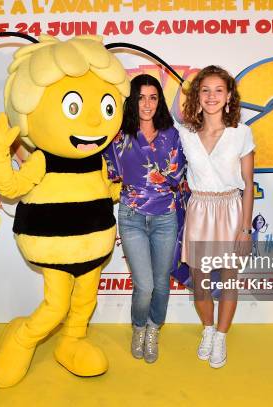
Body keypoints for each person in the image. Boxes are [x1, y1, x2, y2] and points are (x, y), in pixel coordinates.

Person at [104, 74, 186, 363]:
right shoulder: (118, 136)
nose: (147, 104)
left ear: (159, 101)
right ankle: (138, 328)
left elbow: (177, 174)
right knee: (145, 285)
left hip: (165, 216)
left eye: (153, 97)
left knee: (162, 283)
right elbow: (110, 173)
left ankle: (153, 330)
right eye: (141, 97)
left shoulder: (171, 134)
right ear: (132, 100)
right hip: (131, 216)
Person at [178, 65, 255, 368]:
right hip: (198, 209)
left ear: (228, 96)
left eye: (218, 90)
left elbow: (248, 184)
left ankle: (221, 337)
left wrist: (245, 229)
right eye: (205, 90)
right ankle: (207, 330)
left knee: (229, 280)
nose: (212, 96)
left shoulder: (241, 133)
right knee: (200, 283)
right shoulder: (185, 134)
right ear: (197, 95)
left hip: (231, 210)